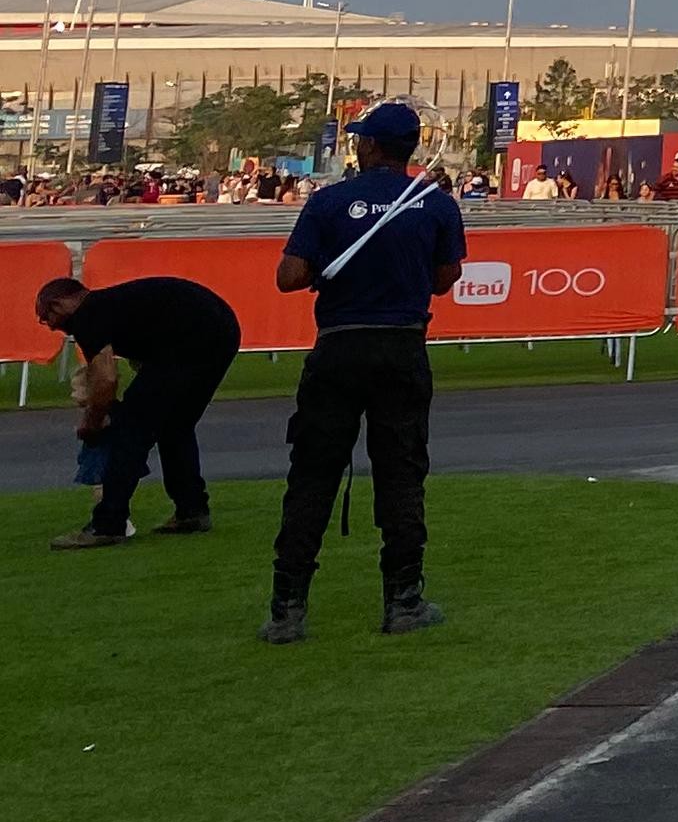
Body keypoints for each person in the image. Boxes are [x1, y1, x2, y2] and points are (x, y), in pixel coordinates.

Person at [264, 101, 467, 644]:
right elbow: (445, 279)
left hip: (338, 347)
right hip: (402, 348)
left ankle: (288, 609)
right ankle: (404, 601)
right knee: (402, 473)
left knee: (311, 474)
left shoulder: (329, 201)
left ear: (372, 146)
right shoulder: (437, 204)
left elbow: (289, 277)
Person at [35, 268, 243, 548]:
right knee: (175, 425)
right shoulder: (113, 305)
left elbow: (106, 378)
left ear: (58, 304)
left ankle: (108, 524)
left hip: (189, 341)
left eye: (46, 316)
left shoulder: (87, 315)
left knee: (130, 430)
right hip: (221, 330)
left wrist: (93, 421)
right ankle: (192, 509)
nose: (49, 326)